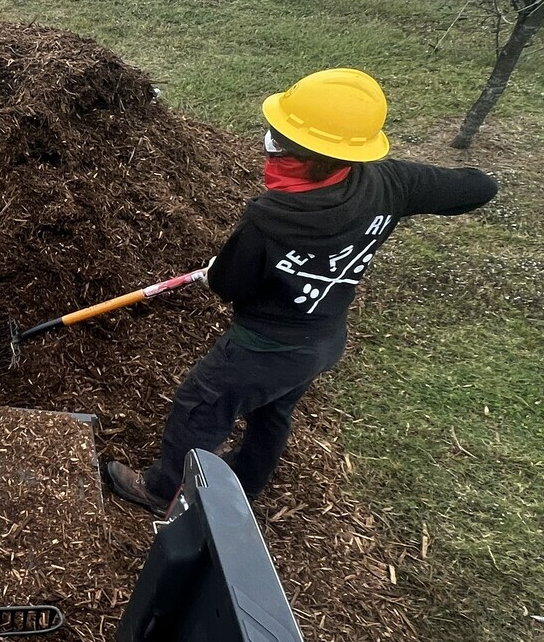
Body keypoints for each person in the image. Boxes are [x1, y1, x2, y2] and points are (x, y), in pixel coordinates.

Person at [104, 67, 498, 514]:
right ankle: (248, 480)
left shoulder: (270, 219)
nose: (268, 146)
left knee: (199, 406)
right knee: (272, 410)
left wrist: (217, 272)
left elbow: (230, 285)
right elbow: (479, 188)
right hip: (322, 340)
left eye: (277, 140)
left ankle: (162, 491)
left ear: (307, 155)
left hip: (260, 350)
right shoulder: (389, 184)